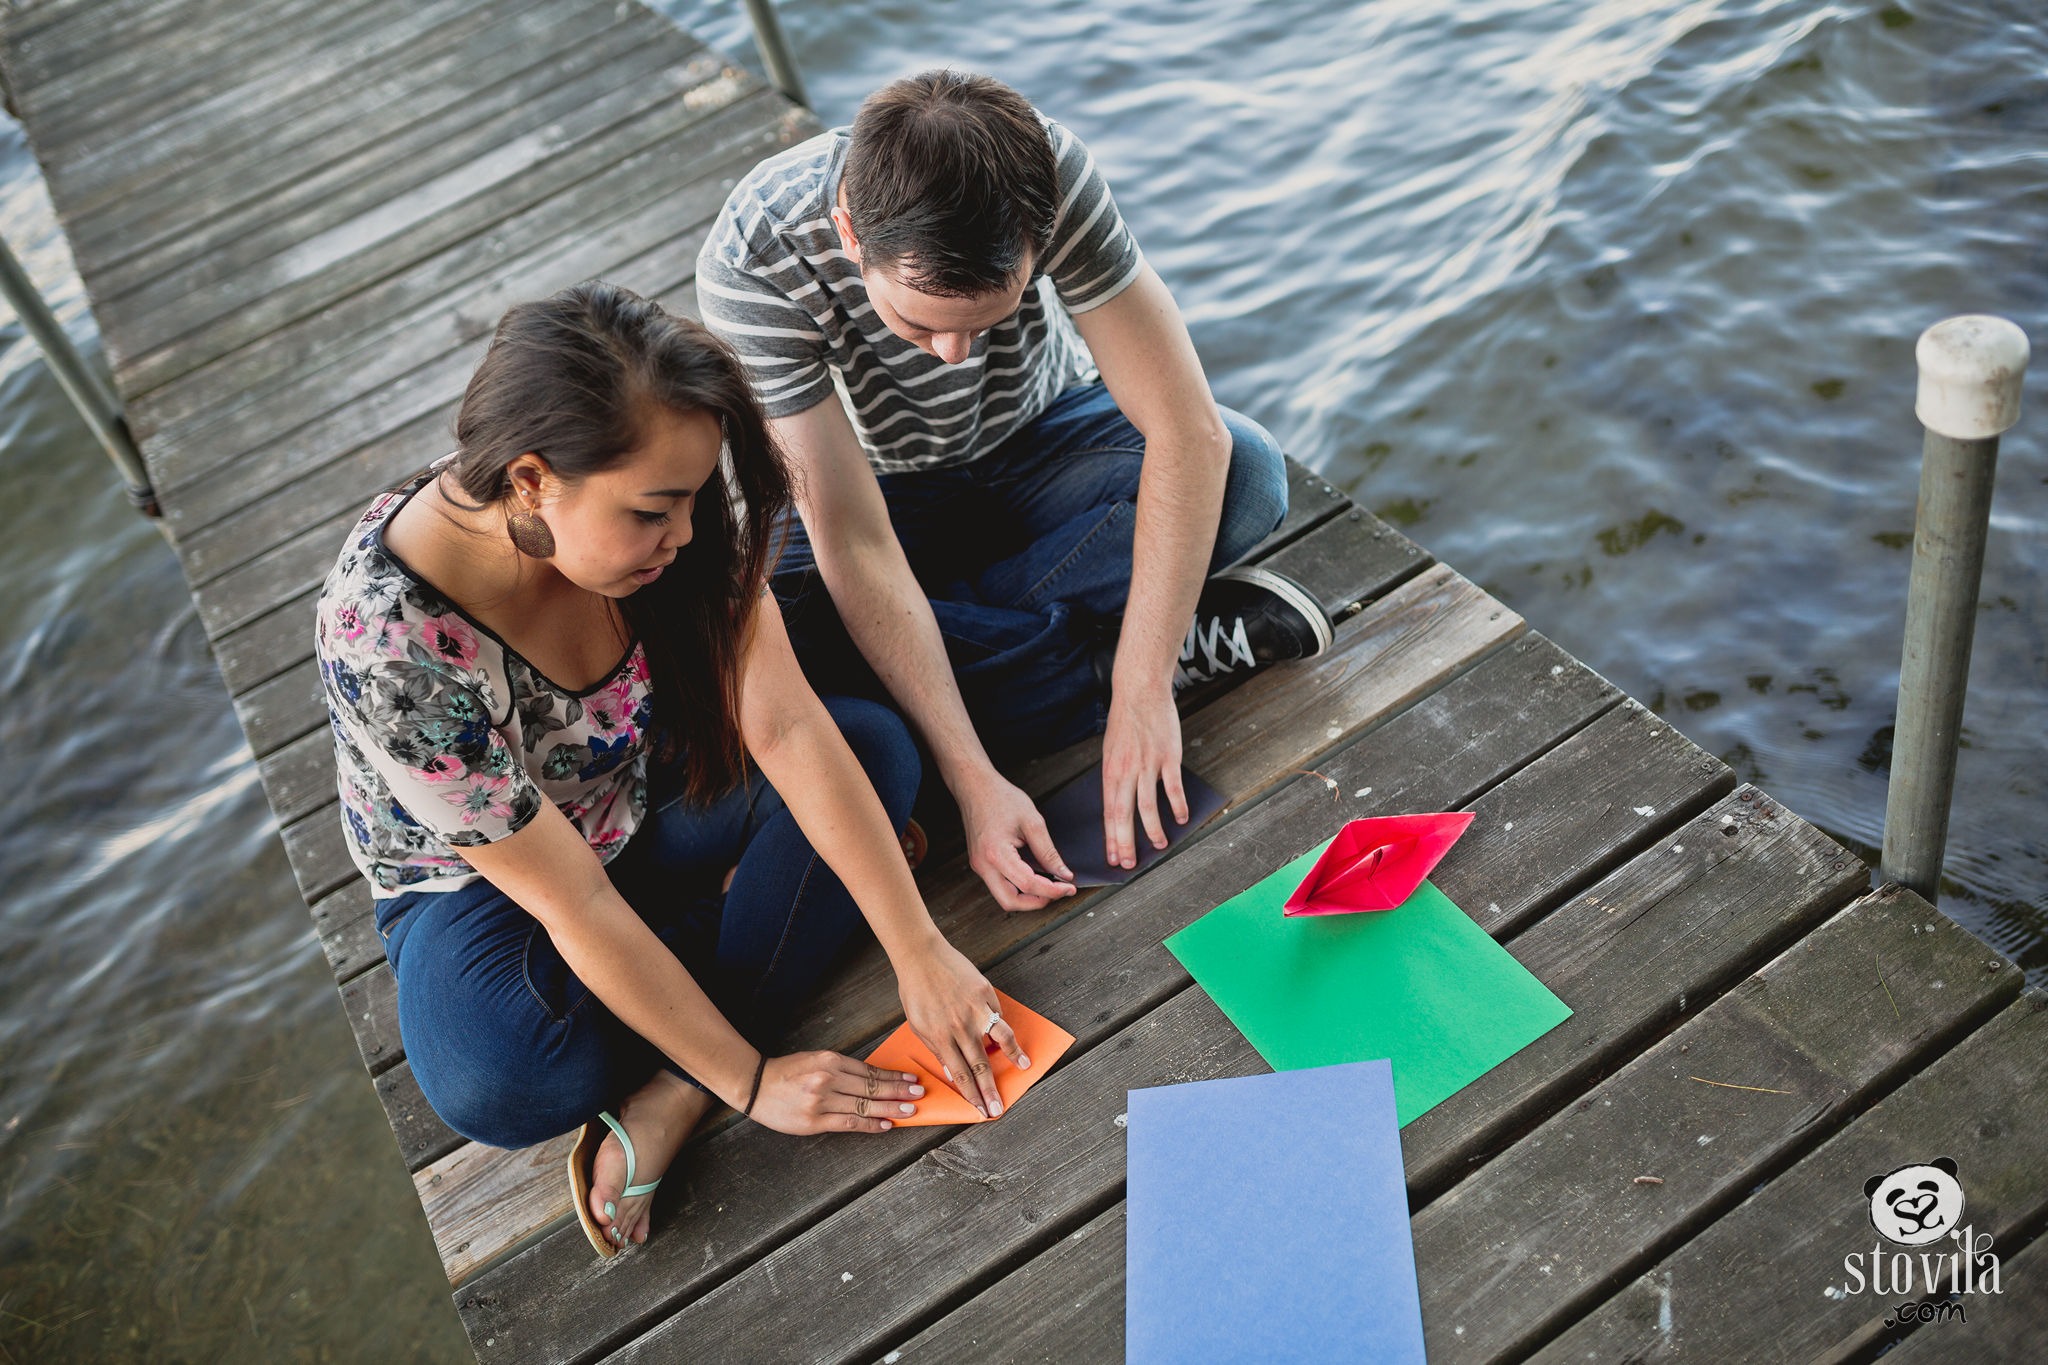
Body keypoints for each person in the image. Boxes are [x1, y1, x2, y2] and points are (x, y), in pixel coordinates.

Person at [313, 282, 1026, 1259]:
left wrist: (917, 947)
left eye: (692, 499)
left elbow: (787, 730)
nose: (685, 536)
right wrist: (747, 1082)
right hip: (491, 882)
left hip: (639, 791)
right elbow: (576, 907)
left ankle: (676, 1068)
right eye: (654, 512)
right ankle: (755, 932)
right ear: (529, 482)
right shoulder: (395, 647)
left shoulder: (651, 506)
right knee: (501, 1079)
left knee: (873, 749)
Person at [696, 70, 1332, 916]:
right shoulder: (758, 256)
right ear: (851, 233)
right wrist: (971, 779)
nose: (954, 356)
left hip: (1044, 441)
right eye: (919, 323)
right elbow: (851, 537)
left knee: (1246, 475)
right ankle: (1091, 660)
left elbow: (1190, 432)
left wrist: (1143, 698)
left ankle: (989, 650)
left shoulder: (1052, 173)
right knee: (769, 634)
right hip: (878, 495)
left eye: (988, 319)